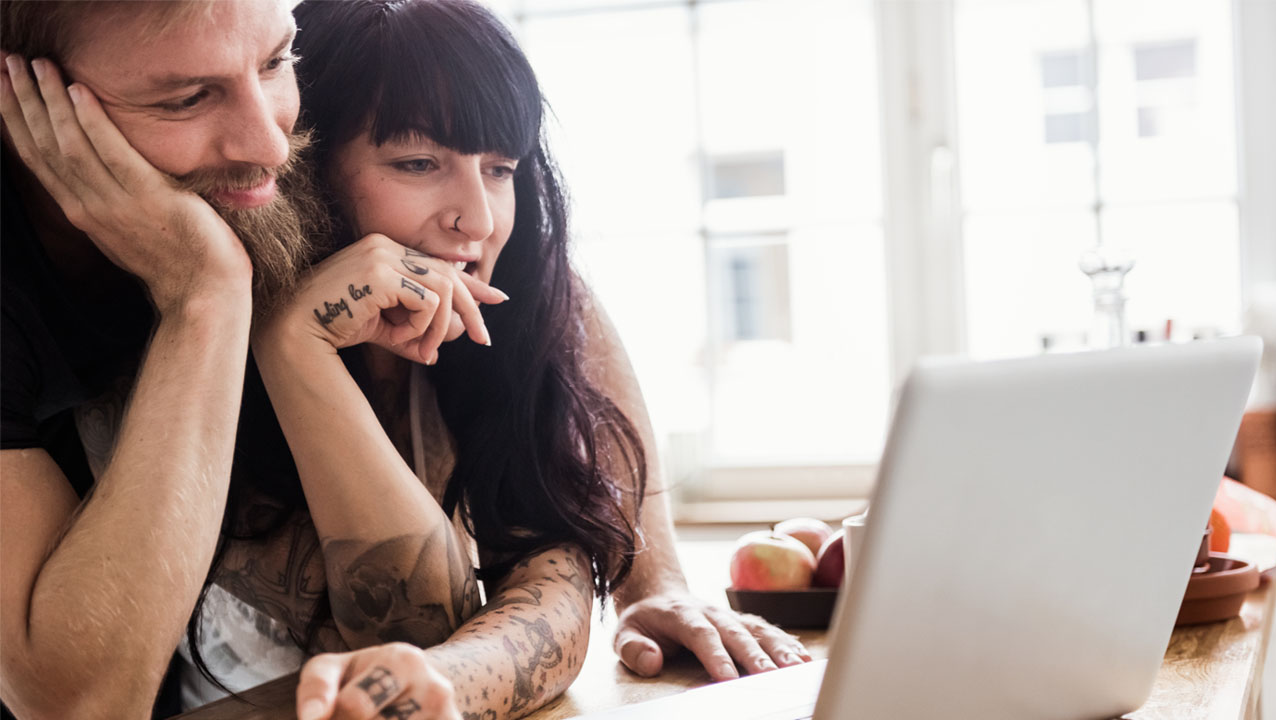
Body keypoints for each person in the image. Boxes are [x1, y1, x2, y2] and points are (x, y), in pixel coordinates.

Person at [0, 1, 809, 718]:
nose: (268, 141)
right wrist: (222, 298)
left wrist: (651, 579)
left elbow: (528, 577)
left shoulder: (434, 274)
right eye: (417, 164)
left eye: (278, 62)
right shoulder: (199, 252)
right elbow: (76, 703)